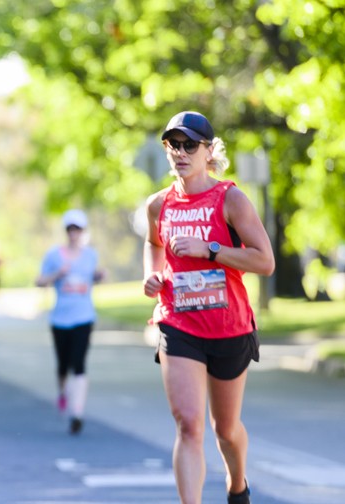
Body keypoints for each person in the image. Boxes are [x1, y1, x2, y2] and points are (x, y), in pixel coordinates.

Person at [143, 111, 273, 504]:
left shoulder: (230, 199)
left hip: (229, 327)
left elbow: (264, 261)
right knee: (188, 426)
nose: (180, 153)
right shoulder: (158, 205)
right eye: (172, 145)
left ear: (208, 150)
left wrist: (212, 250)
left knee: (225, 428)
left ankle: (237, 485)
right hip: (178, 323)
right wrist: (153, 276)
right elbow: (154, 244)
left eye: (189, 145)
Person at [36, 209, 105, 435]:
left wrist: (98, 276)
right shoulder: (54, 255)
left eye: (78, 229)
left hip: (83, 316)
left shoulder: (90, 255)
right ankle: (64, 393)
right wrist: (57, 273)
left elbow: (95, 276)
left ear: (83, 231)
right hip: (60, 318)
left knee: (79, 364)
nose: (74, 233)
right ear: (66, 231)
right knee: (63, 365)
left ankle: (77, 413)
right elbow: (39, 281)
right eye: (70, 229)